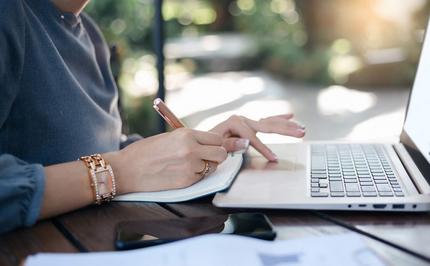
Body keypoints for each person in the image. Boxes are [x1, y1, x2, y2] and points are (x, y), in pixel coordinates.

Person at [0, 0, 305, 234]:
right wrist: (116, 171)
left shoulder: (89, 33)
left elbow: (101, 149)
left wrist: (201, 146)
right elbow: (117, 166)